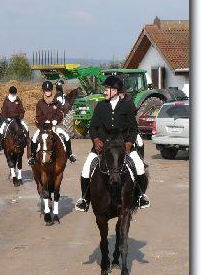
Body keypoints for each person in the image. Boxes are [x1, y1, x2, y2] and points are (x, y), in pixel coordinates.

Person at [75, 75, 150, 212]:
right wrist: (96, 140)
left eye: (107, 89)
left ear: (115, 91)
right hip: (102, 146)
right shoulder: (100, 106)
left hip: (123, 147)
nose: (105, 91)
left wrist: (128, 143)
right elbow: (92, 127)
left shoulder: (126, 106)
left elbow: (134, 129)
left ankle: (140, 196)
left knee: (139, 167)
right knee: (86, 170)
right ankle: (85, 199)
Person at [27, 80, 76, 166]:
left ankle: (70, 154)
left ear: (51, 91)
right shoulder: (40, 103)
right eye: (46, 91)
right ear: (44, 91)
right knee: (34, 139)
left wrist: (55, 120)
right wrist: (44, 121)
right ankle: (32, 157)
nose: (48, 92)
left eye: (49, 90)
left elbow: (60, 114)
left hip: (54, 126)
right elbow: (38, 116)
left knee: (67, 136)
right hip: (43, 127)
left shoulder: (56, 102)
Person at [0, 86, 29, 151]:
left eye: (14, 93)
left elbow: (22, 110)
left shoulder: (18, 100)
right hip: (8, 119)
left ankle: (27, 142)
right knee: (2, 130)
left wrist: (20, 117)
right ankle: (0, 144)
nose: (13, 95)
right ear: (10, 93)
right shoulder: (6, 100)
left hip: (17, 119)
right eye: (12, 93)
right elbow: (3, 111)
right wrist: (5, 119)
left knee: (26, 128)